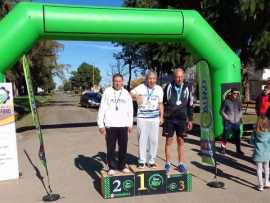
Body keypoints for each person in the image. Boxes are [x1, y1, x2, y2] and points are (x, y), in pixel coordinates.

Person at [97, 74, 133, 175]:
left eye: (120, 81)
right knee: (110, 148)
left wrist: (130, 124)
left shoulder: (126, 93)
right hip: (110, 125)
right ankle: (111, 167)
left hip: (123, 125)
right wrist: (101, 124)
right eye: (116, 81)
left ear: (123, 82)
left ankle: (122, 165)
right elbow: (102, 108)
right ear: (113, 82)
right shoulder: (107, 92)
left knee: (123, 147)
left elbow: (130, 109)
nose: (118, 83)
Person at [162, 68, 193, 173]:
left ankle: (181, 163)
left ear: (183, 76)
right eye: (177, 77)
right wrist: (163, 116)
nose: (179, 79)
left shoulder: (188, 87)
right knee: (169, 141)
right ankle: (167, 163)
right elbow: (162, 102)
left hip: (181, 119)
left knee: (181, 141)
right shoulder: (169, 86)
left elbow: (190, 105)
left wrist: (190, 120)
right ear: (173, 77)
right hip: (169, 119)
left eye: (181, 77)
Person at [131, 70, 164, 169]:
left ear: (156, 79)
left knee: (154, 141)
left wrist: (161, 117)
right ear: (146, 79)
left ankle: (152, 161)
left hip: (154, 119)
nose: (152, 81)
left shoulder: (159, 89)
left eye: (153, 79)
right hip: (142, 118)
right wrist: (136, 97)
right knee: (142, 140)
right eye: (150, 78)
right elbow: (129, 94)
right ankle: (141, 161)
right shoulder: (141, 87)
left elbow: (160, 104)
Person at [220, 88, 243, 155]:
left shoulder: (238, 101)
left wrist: (239, 117)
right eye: (234, 94)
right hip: (228, 122)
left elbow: (241, 110)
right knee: (225, 136)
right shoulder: (226, 101)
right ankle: (223, 149)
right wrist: (227, 117)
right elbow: (221, 111)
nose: (235, 95)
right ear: (231, 94)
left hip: (236, 122)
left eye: (236, 94)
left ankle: (238, 149)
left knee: (237, 137)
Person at [252, 115, 270, 191]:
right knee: (267, 168)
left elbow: (251, 142)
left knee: (259, 169)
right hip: (267, 154)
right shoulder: (269, 133)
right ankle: (266, 182)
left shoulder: (255, 133)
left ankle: (260, 185)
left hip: (258, 154)